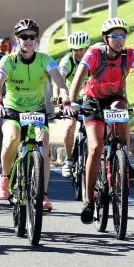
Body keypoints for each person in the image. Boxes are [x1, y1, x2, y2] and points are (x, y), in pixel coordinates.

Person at [68, 17, 134, 224]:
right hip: (93, 101)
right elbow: (79, 76)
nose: (120, 40)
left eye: (123, 36)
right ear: (106, 38)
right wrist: (71, 101)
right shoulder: (94, 52)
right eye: (115, 36)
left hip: (115, 98)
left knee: (121, 110)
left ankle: (123, 159)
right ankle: (89, 200)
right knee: (95, 148)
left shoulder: (130, 54)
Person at [0, 19, 74, 212]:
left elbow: (61, 83)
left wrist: (66, 101)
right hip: (12, 109)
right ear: (17, 39)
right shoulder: (8, 61)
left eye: (32, 37)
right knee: (11, 139)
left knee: (43, 145)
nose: (28, 41)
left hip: (37, 111)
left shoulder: (45, 59)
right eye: (24, 37)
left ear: (36, 39)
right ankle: (5, 177)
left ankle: (43, 194)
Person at [56, 31, 91, 177]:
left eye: (82, 49)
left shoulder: (94, 58)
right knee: (69, 126)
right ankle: (68, 159)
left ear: (87, 48)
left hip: (90, 99)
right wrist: (58, 98)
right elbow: (59, 79)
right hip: (71, 100)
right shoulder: (67, 61)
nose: (79, 53)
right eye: (76, 49)